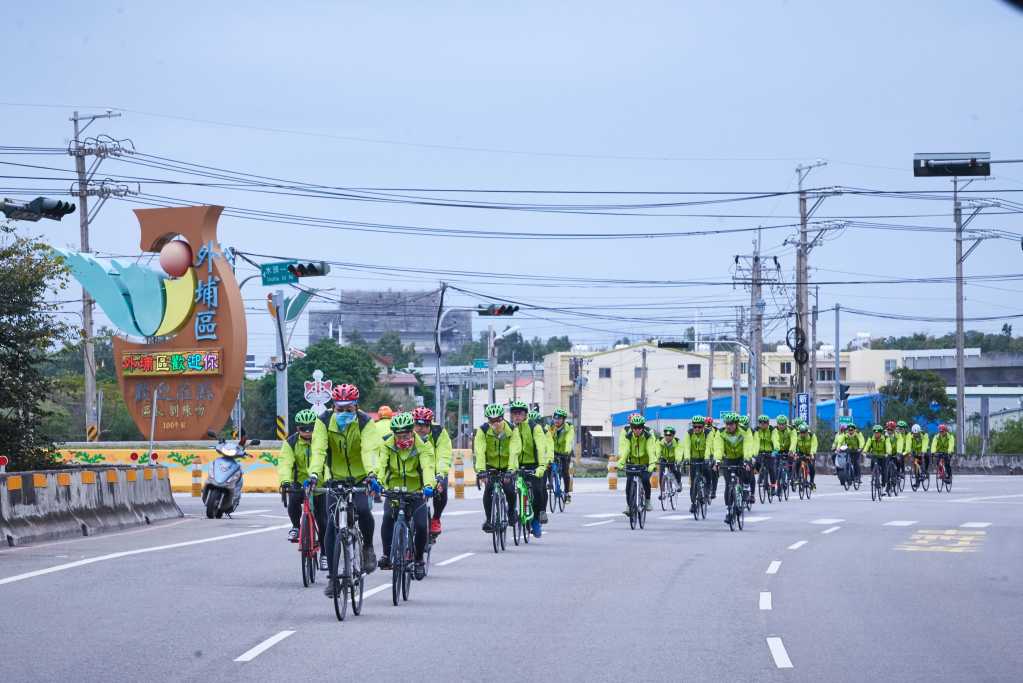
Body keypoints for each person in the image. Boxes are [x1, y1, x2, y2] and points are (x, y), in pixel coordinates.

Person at [309, 383, 384, 596]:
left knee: (364, 511)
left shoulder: (365, 422)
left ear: (356, 406)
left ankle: (368, 548)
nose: (343, 413)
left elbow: (370, 450)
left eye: (348, 409)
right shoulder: (323, 421)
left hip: (361, 477)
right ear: (333, 406)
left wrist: (372, 474)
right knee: (332, 526)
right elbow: (318, 450)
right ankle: (333, 578)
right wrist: (314, 474)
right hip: (335, 478)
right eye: (339, 409)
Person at [376, 412, 435, 580]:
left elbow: (427, 467)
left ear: (412, 431)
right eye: (399, 435)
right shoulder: (386, 444)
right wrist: (378, 482)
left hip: (416, 491)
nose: (402, 439)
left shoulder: (423, 445)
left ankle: (419, 560)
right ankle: (386, 555)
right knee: (387, 518)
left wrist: (428, 485)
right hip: (393, 491)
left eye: (406, 435)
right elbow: (381, 466)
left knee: (422, 526)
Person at [276, 409, 325, 558]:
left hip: (320, 483)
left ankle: (324, 554)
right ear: (297, 428)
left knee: (323, 520)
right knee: (293, 500)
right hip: (299, 482)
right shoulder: (291, 443)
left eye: (311, 428)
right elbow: (285, 463)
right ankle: (296, 527)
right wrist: (285, 481)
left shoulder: (322, 440)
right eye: (304, 429)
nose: (308, 432)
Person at [475, 403, 521, 533]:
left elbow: (514, 451)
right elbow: (479, 451)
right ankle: (489, 520)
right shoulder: (483, 430)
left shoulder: (512, 429)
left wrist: (511, 470)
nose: (495, 424)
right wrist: (481, 470)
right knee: (488, 491)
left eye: (498, 420)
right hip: (491, 466)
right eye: (492, 421)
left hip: (507, 465)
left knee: (509, 490)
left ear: (503, 418)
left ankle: (511, 513)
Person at [509, 400, 551, 537]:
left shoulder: (535, 427)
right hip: (518, 465)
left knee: (538, 491)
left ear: (525, 414)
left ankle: (536, 520)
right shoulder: (510, 428)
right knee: (512, 489)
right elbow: (511, 450)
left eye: (520, 413)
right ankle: (513, 513)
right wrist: (511, 467)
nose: (517, 416)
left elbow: (541, 448)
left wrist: (541, 466)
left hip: (534, 464)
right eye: (514, 413)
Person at [411, 407, 451, 536]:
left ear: (430, 424)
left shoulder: (438, 432)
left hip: (434, 470)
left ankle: (436, 518)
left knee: (442, 489)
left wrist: (440, 476)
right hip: (414, 471)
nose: (421, 428)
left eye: (425, 425)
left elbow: (443, 456)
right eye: (418, 425)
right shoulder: (407, 433)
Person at [714, 412, 754, 525]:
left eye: (731, 424)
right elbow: (718, 447)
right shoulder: (721, 432)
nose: (728, 426)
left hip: (741, 458)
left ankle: (745, 489)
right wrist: (717, 460)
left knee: (746, 472)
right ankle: (728, 510)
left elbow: (748, 446)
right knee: (728, 485)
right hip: (728, 458)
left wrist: (747, 460)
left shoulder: (745, 431)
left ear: (736, 424)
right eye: (727, 424)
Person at [618, 413, 657, 514]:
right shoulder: (628, 436)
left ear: (643, 427)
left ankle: (647, 501)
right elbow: (626, 449)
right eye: (634, 428)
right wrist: (621, 462)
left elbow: (651, 450)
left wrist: (652, 463)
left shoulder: (648, 435)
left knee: (645, 480)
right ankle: (629, 506)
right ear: (631, 427)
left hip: (646, 463)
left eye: (639, 427)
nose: (637, 430)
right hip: (632, 463)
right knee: (629, 484)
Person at [681, 416, 713, 513]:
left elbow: (709, 446)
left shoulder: (708, 433)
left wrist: (707, 458)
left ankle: (708, 490)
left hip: (705, 457)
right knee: (693, 482)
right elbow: (686, 447)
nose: (697, 429)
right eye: (695, 427)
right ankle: (693, 503)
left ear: (703, 426)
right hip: (694, 458)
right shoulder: (689, 433)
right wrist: (687, 458)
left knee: (707, 472)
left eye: (699, 427)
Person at [548, 408, 575, 503]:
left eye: (559, 418)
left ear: (563, 420)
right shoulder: (551, 427)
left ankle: (567, 494)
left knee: (565, 472)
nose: (557, 420)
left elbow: (569, 439)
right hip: (554, 451)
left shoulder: (569, 428)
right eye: (555, 418)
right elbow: (548, 439)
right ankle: (550, 483)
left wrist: (567, 451)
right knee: (548, 465)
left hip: (565, 452)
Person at [752, 415, 778, 495]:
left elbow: (775, 439)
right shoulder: (756, 430)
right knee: (756, 464)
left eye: (764, 423)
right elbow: (754, 442)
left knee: (771, 469)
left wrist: (775, 450)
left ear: (768, 423)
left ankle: (773, 487)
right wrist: (753, 453)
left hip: (770, 452)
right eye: (761, 423)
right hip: (759, 451)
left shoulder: (772, 430)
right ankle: (761, 475)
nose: (762, 424)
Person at [656, 425, 684, 495]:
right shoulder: (660, 441)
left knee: (676, 470)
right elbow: (657, 450)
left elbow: (678, 451)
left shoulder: (677, 442)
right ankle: (662, 492)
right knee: (661, 474)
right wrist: (657, 458)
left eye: (670, 435)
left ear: (673, 436)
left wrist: (678, 460)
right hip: (664, 458)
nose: (668, 437)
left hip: (673, 459)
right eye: (666, 435)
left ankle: (679, 482)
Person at [865, 425, 892, 490]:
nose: (876, 434)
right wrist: (865, 451)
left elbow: (888, 446)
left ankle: (883, 484)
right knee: (873, 465)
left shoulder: (886, 438)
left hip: (883, 456)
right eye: (875, 432)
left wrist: (888, 453)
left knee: (884, 470)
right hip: (875, 455)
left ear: (881, 433)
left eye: (878, 432)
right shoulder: (871, 438)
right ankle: (874, 476)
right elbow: (867, 445)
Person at [774, 415, 795, 487]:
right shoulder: (775, 430)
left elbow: (793, 441)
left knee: (790, 462)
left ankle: (791, 478)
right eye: (779, 424)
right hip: (778, 449)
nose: (781, 426)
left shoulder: (791, 430)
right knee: (776, 464)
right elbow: (775, 439)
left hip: (788, 449)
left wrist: (791, 450)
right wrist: (776, 449)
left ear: (786, 424)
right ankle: (777, 479)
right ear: (777, 424)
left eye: (783, 424)